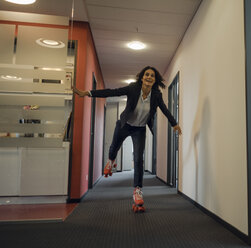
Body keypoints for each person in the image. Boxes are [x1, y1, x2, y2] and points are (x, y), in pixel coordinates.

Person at [73, 66, 182, 210]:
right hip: (124, 125)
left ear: (155, 80)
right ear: (142, 77)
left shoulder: (156, 95)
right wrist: (88, 93)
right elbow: (113, 92)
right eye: (147, 74)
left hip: (140, 129)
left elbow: (164, 109)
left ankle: (137, 190)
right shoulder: (132, 88)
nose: (149, 77)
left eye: (152, 76)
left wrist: (174, 124)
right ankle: (111, 160)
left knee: (138, 160)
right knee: (114, 147)